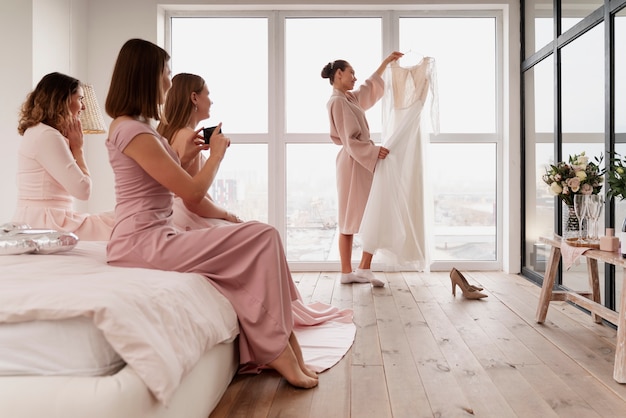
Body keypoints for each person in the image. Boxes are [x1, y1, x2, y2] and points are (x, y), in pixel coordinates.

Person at [104, 38, 318, 389]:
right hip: (141, 242)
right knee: (264, 236)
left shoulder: (138, 128)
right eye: (166, 73)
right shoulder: (132, 130)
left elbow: (160, 184)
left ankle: (284, 341)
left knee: (261, 240)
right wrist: (216, 153)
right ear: (146, 76)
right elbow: (190, 193)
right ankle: (277, 348)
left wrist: (186, 157)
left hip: (154, 236)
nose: (169, 82)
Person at [321, 52, 403, 287]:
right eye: (351, 73)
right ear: (338, 75)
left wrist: (386, 64)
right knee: (348, 217)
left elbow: (368, 89)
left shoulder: (348, 99)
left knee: (372, 212)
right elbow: (349, 139)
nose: (355, 78)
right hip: (352, 162)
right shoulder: (337, 101)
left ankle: (363, 267)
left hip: (358, 161)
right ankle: (348, 271)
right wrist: (373, 151)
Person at [13, 72, 115, 240]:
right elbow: (83, 191)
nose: (83, 107)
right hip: (47, 223)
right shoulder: (47, 135)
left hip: (41, 218)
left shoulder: (39, 132)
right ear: (64, 99)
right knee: (121, 223)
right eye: (80, 99)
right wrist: (78, 149)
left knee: (118, 220)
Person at [156, 73, 242, 230]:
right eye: (208, 94)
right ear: (194, 98)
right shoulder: (190, 139)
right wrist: (227, 214)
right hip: (183, 217)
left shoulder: (168, 134)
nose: (212, 101)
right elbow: (194, 200)